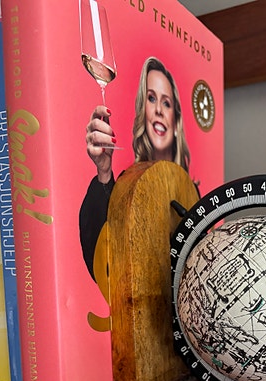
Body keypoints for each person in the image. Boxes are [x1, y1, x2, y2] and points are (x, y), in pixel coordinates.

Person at [79, 56, 191, 280]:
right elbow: (104, 270)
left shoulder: (193, 193)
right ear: (143, 111)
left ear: (176, 120)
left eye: (166, 103)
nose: (158, 110)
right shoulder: (124, 187)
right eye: (151, 98)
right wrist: (104, 172)